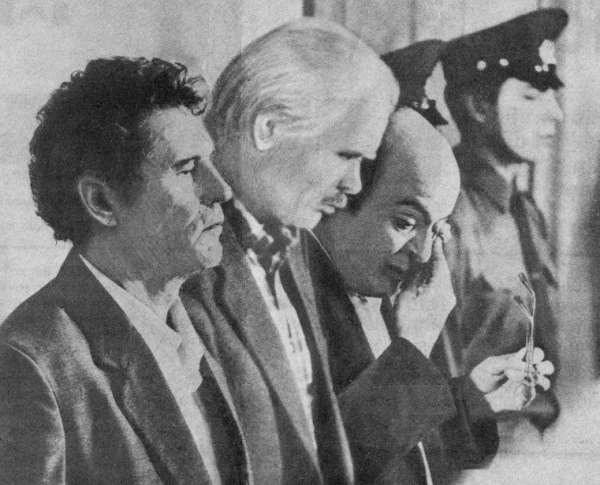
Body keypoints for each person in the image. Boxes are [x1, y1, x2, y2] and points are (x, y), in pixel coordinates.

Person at [0, 57, 249, 485]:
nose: (222, 190)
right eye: (187, 169)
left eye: (210, 163)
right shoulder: (29, 365)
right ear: (101, 202)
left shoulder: (199, 329)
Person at [181, 18, 399, 485]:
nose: (355, 184)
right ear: (268, 128)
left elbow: (331, 448)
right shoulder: (181, 257)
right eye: (347, 156)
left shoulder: (294, 247)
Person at [306, 107, 554, 485]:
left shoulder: (369, 287)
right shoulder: (299, 300)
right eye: (405, 222)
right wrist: (415, 341)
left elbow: (404, 453)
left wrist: (475, 400)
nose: (423, 255)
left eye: (436, 231)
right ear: (340, 196)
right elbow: (332, 465)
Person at [434, 8, 568, 432]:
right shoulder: (448, 214)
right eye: (531, 96)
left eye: (552, 95)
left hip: (534, 448)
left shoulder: (526, 212)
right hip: (475, 449)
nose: (555, 114)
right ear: (479, 105)